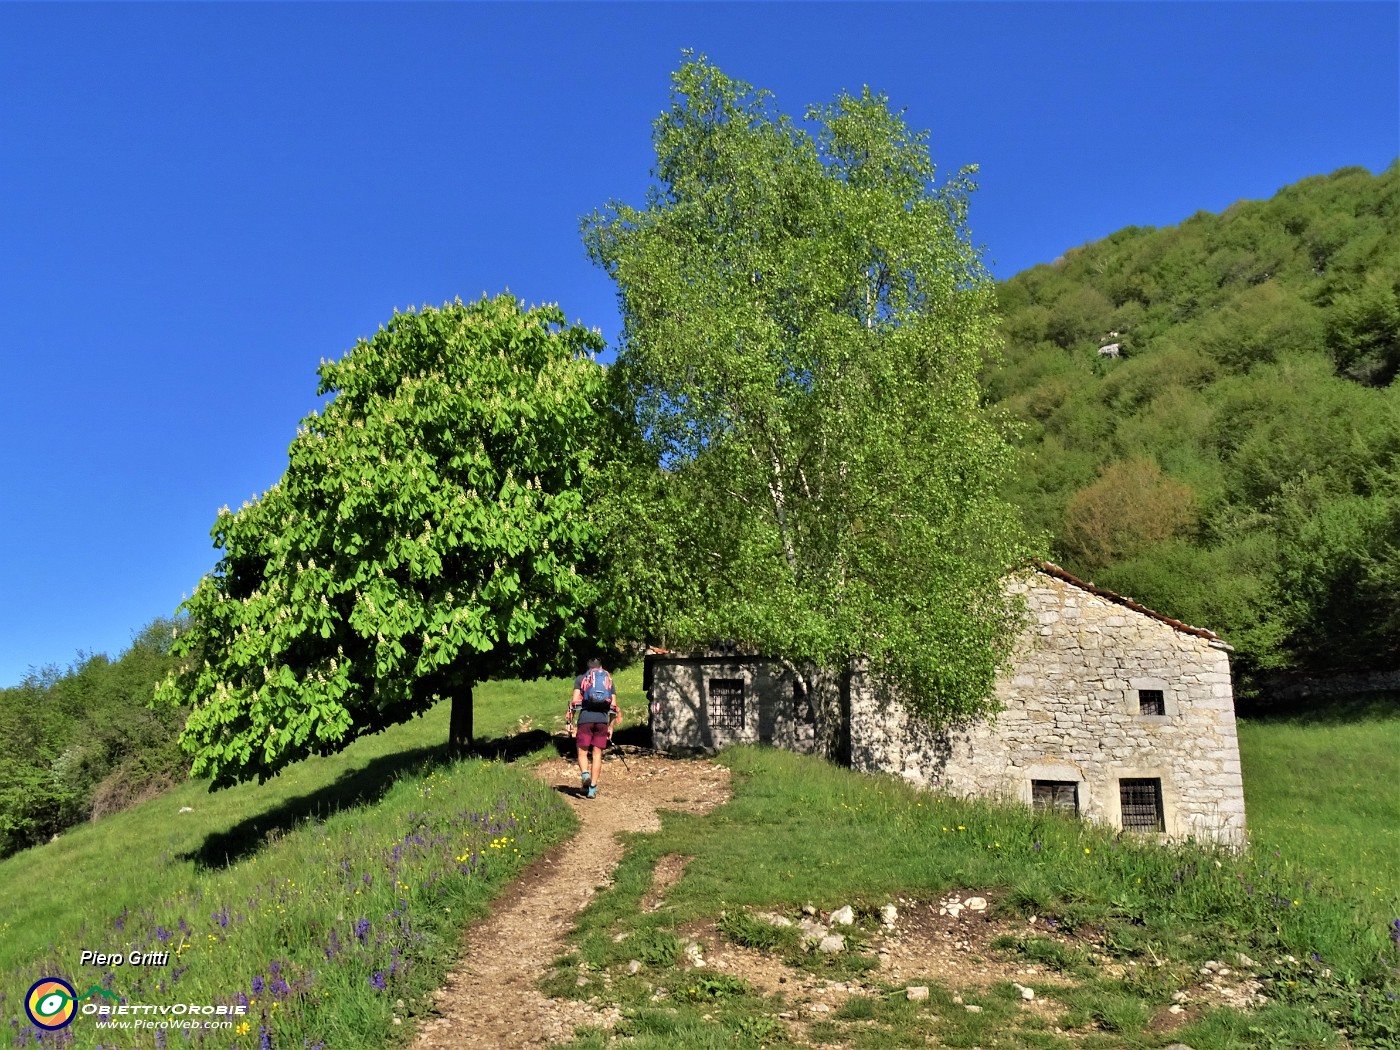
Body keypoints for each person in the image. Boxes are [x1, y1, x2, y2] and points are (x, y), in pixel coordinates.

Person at [566, 658, 619, 799]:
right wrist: (611, 726)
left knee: (582, 752)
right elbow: (613, 707)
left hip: (585, 720)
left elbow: (574, 702)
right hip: (602, 721)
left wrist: (569, 722)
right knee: (597, 755)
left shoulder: (581, 678)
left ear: (588, 668)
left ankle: (585, 775)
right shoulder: (608, 680)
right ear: (601, 667)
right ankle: (592, 789)